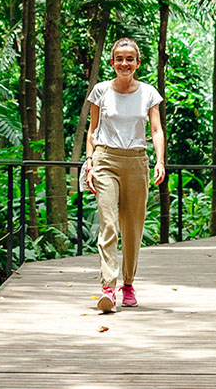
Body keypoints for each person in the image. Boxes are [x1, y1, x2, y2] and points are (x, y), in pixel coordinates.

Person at [83, 37, 166, 312]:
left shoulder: (149, 93)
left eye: (130, 59)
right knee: (108, 224)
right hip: (105, 160)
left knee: (132, 227)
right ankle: (108, 287)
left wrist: (160, 161)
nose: (124, 63)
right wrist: (89, 162)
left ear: (137, 63)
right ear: (112, 62)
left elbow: (156, 130)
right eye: (119, 58)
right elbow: (92, 130)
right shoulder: (100, 91)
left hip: (136, 161)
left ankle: (128, 284)